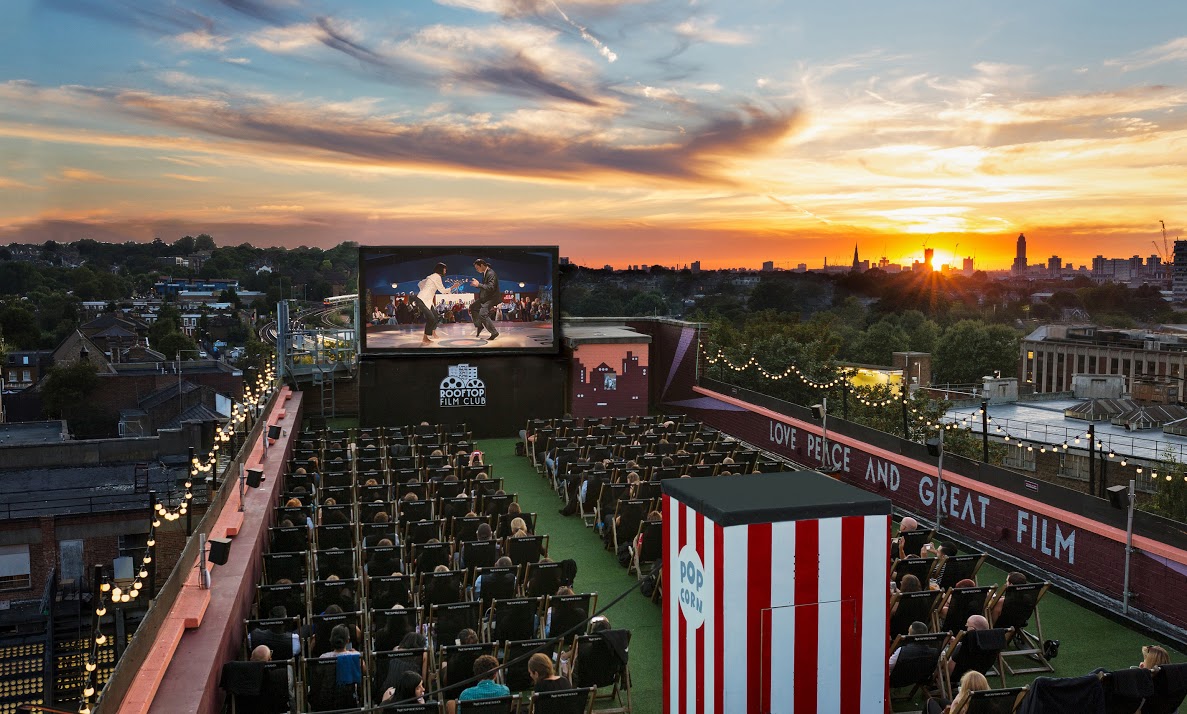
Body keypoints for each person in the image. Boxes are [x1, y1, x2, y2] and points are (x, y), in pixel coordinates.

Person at [414, 262, 459, 345]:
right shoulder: (437, 277)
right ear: (440, 269)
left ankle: (433, 333)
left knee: (435, 316)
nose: (445, 271)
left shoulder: (431, 276)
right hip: (422, 299)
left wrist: (424, 290)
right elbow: (443, 291)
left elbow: (420, 283)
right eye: (444, 269)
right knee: (431, 318)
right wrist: (453, 287)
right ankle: (425, 338)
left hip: (426, 300)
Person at [469, 258, 500, 341]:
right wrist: (478, 285)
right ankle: (479, 325)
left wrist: (479, 284)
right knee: (473, 307)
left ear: (482, 265)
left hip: (492, 298)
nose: (476, 270)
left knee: (483, 314)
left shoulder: (491, 273)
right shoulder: (485, 273)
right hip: (485, 298)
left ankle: (494, 332)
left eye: (477, 268)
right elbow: (485, 287)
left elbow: (491, 287)